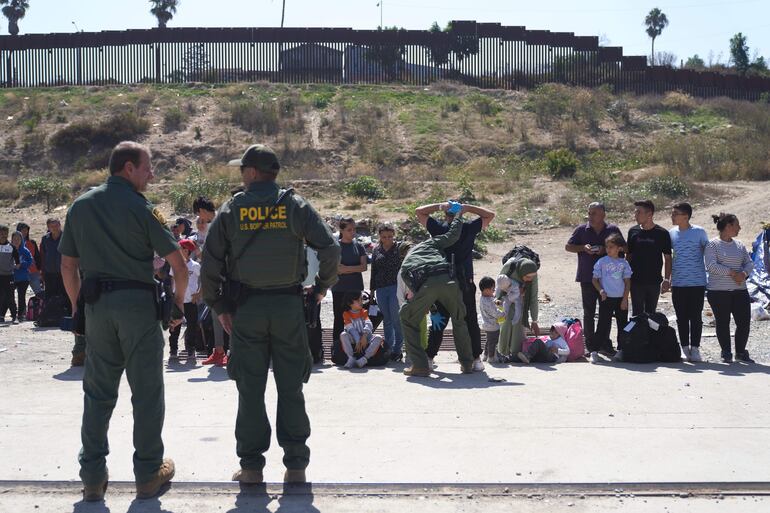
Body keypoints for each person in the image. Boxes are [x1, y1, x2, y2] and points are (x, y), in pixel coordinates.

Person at [200, 144, 340, 485]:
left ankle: (251, 467)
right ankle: (295, 466)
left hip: (246, 310)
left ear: (250, 173)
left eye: (241, 171)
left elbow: (210, 263)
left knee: (250, 388)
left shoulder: (232, 210)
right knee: (291, 387)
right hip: (289, 307)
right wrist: (321, 287)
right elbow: (331, 248)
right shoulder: (294, 205)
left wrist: (219, 306)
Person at [59, 141, 188, 501]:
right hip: (138, 310)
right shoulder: (141, 207)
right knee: (146, 394)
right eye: (147, 167)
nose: (152, 174)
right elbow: (178, 265)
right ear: (128, 168)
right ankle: (148, 473)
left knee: (97, 395)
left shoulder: (81, 206)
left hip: (98, 309)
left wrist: (78, 309)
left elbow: (68, 266)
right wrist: (177, 305)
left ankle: (92, 478)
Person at [415, 200, 495, 372]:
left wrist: (439, 205)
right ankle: (476, 359)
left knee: (439, 320)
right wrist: (468, 208)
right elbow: (490, 215)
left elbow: (419, 211)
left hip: (443, 282)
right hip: (465, 282)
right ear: (460, 214)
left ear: (446, 215)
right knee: (469, 320)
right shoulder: (468, 228)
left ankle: (429, 357)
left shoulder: (440, 229)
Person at [398, 214, 475, 376]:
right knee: (460, 320)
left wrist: (427, 304)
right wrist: (458, 216)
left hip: (428, 284)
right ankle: (467, 364)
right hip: (450, 280)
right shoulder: (432, 242)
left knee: (407, 317)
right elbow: (453, 235)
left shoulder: (407, 259)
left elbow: (406, 275)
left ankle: (420, 365)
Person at [565, 202, 621, 355]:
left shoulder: (612, 230)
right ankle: (590, 346)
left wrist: (605, 250)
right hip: (587, 277)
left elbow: (623, 248)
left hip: (608, 279)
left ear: (603, 214)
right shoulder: (582, 230)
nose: (590, 216)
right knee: (588, 312)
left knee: (606, 312)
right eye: (589, 213)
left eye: (594, 213)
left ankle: (604, 343)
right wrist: (583, 248)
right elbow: (568, 246)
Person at [704, 213, 755, 363]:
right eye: (737, 225)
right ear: (728, 226)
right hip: (718, 292)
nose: (740, 228)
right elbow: (711, 266)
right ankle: (726, 352)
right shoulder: (712, 245)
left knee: (744, 322)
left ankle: (740, 351)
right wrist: (732, 273)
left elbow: (749, 263)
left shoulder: (739, 245)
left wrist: (744, 273)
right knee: (722, 322)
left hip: (740, 291)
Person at [669, 202, 709, 363]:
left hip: (697, 282)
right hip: (678, 282)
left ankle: (696, 348)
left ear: (685, 216)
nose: (672, 216)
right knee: (681, 317)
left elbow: (709, 253)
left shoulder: (699, 232)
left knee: (696, 317)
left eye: (675, 213)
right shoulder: (671, 233)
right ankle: (684, 348)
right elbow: (668, 257)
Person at [591, 233, 632, 364]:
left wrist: (625, 299)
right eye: (607, 246)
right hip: (606, 298)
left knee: (622, 325)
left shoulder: (623, 263)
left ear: (619, 248)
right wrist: (601, 290)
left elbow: (627, 282)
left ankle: (621, 351)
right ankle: (594, 351)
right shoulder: (601, 262)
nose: (608, 249)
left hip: (620, 298)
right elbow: (595, 279)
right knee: (603, 324)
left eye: (611, 247)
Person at [627, 200, 672, 316]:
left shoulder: (662, 233)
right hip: (636, 280)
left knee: (651, 314)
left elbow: (667, 258)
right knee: (637, 314)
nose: (635, 215)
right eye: (635, 212)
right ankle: (638, 335)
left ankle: (650, 335)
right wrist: (625, 276)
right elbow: (629, 255)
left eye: (638, 212)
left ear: (649, 214)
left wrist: (667, 280)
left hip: (654, 281)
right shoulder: (633, 231)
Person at [369, 224, 408, 360]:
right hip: (380, 288)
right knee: (387, 319)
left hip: (395, 287)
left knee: (396, 318)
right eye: (384, 237)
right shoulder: (376, 250)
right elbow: (373, 270)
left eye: (390, 236)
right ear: (380, 236)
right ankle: (388, 348)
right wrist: (372, 290)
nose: (388, 239)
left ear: (394, 235)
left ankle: (398, 349)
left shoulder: (399, 249)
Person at [331, 217, 367, 355]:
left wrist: (346, 268)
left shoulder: (359, 246)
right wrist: (353, 268)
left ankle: (358, 349)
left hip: (355, 288)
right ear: (341, 230)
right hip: (339, 288)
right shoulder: (335, 248)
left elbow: (364, 267)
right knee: (339, 319)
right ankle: (337, 349)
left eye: (354, 229)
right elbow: (337, 269)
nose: (353, 232)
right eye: (349, 230)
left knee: (357, 319)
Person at [496, 258, 539, 362]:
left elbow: (533, 297)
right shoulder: (509, 266)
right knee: (505, 324)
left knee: (518, 325)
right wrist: (498, 302)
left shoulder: (533, 276)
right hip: (506, 298)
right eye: (527, 277)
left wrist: (534, 320)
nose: (530, 280)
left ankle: (515, 354)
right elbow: (500, 285)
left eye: (532, 277)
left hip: (521, 299)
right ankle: (502, 352)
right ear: (522, 272)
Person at [168, 239, 201, 362]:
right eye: (180, 249)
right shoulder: (175, 266)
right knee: (175, 325)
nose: (182, 251)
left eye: (184, 249)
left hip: (190, 301)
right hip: (178, 301)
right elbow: (172, 280)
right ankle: (173, 350)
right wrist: (172, 294)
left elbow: (202, 279)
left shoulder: (195, 266)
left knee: (192, 326)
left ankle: (191, 349)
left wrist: (199, 293)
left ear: (188, 251)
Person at [338, 290, 385, 368]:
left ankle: (364, 358)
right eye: (358, 300)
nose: (361, 302)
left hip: (366, 337)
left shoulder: (364, 312)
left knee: (379, 338)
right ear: (350, 303)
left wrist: (364, 336)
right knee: (343, 335)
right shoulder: (346, 314)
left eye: (361, 300)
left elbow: (369, 324)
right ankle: (351, 358)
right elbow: (351, 329)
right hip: (354, 338)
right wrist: (358, 340)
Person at [478, 276, 504, 362]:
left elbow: (492, 299)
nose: (494, 290)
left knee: (489, 340)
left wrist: (496, 301)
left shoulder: (483, 298)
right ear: (486, 290)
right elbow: (495, 313)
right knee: (493, 342)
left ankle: (485, 355)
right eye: (492, 288)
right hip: (492, 326)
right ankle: (491, 357)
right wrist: (504, 313)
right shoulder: (488, 302)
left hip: (487, 324)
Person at [40, 217, 66, 299]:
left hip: (64, 273)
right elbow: (43, 256)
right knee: (49, 297)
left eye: (56, 225)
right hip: (49, 273)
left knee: (65, 296)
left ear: (60, 225)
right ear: (48, 228)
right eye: (52, 226)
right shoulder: (45, 239)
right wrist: (42, 273)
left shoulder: (66, 238)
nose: (55, 228)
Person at [10, 231, 32, 323]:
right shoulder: (9, 249)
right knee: (9, 296)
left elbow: (30, 261)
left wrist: (21, 265)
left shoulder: (25, 250)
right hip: (11, 277)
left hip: (23, 278)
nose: (16, 241)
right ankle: (13, 313)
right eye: (14, 239)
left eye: (18, 239)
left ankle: (20, 315)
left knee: (21, 296)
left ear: (21, 240)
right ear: (11, 240)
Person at [17, 222, 43, 295]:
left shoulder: (32, 242)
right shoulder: (14, 244)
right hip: (20, 273)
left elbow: (37, 257)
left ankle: (40, 306)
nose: (25, 232)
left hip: (33, 272)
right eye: (23, 230)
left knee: (39, 293)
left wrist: (39, 270)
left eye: (26, 230)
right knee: (21, 295)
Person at [0, 224, 19, 323]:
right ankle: (1, 316)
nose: (3, 235)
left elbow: (18, 262)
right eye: (1, 233)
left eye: (5, 233)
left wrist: (11, 267)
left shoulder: (12, 247)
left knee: (10, 297)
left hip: (9, 276)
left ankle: (14, 317)